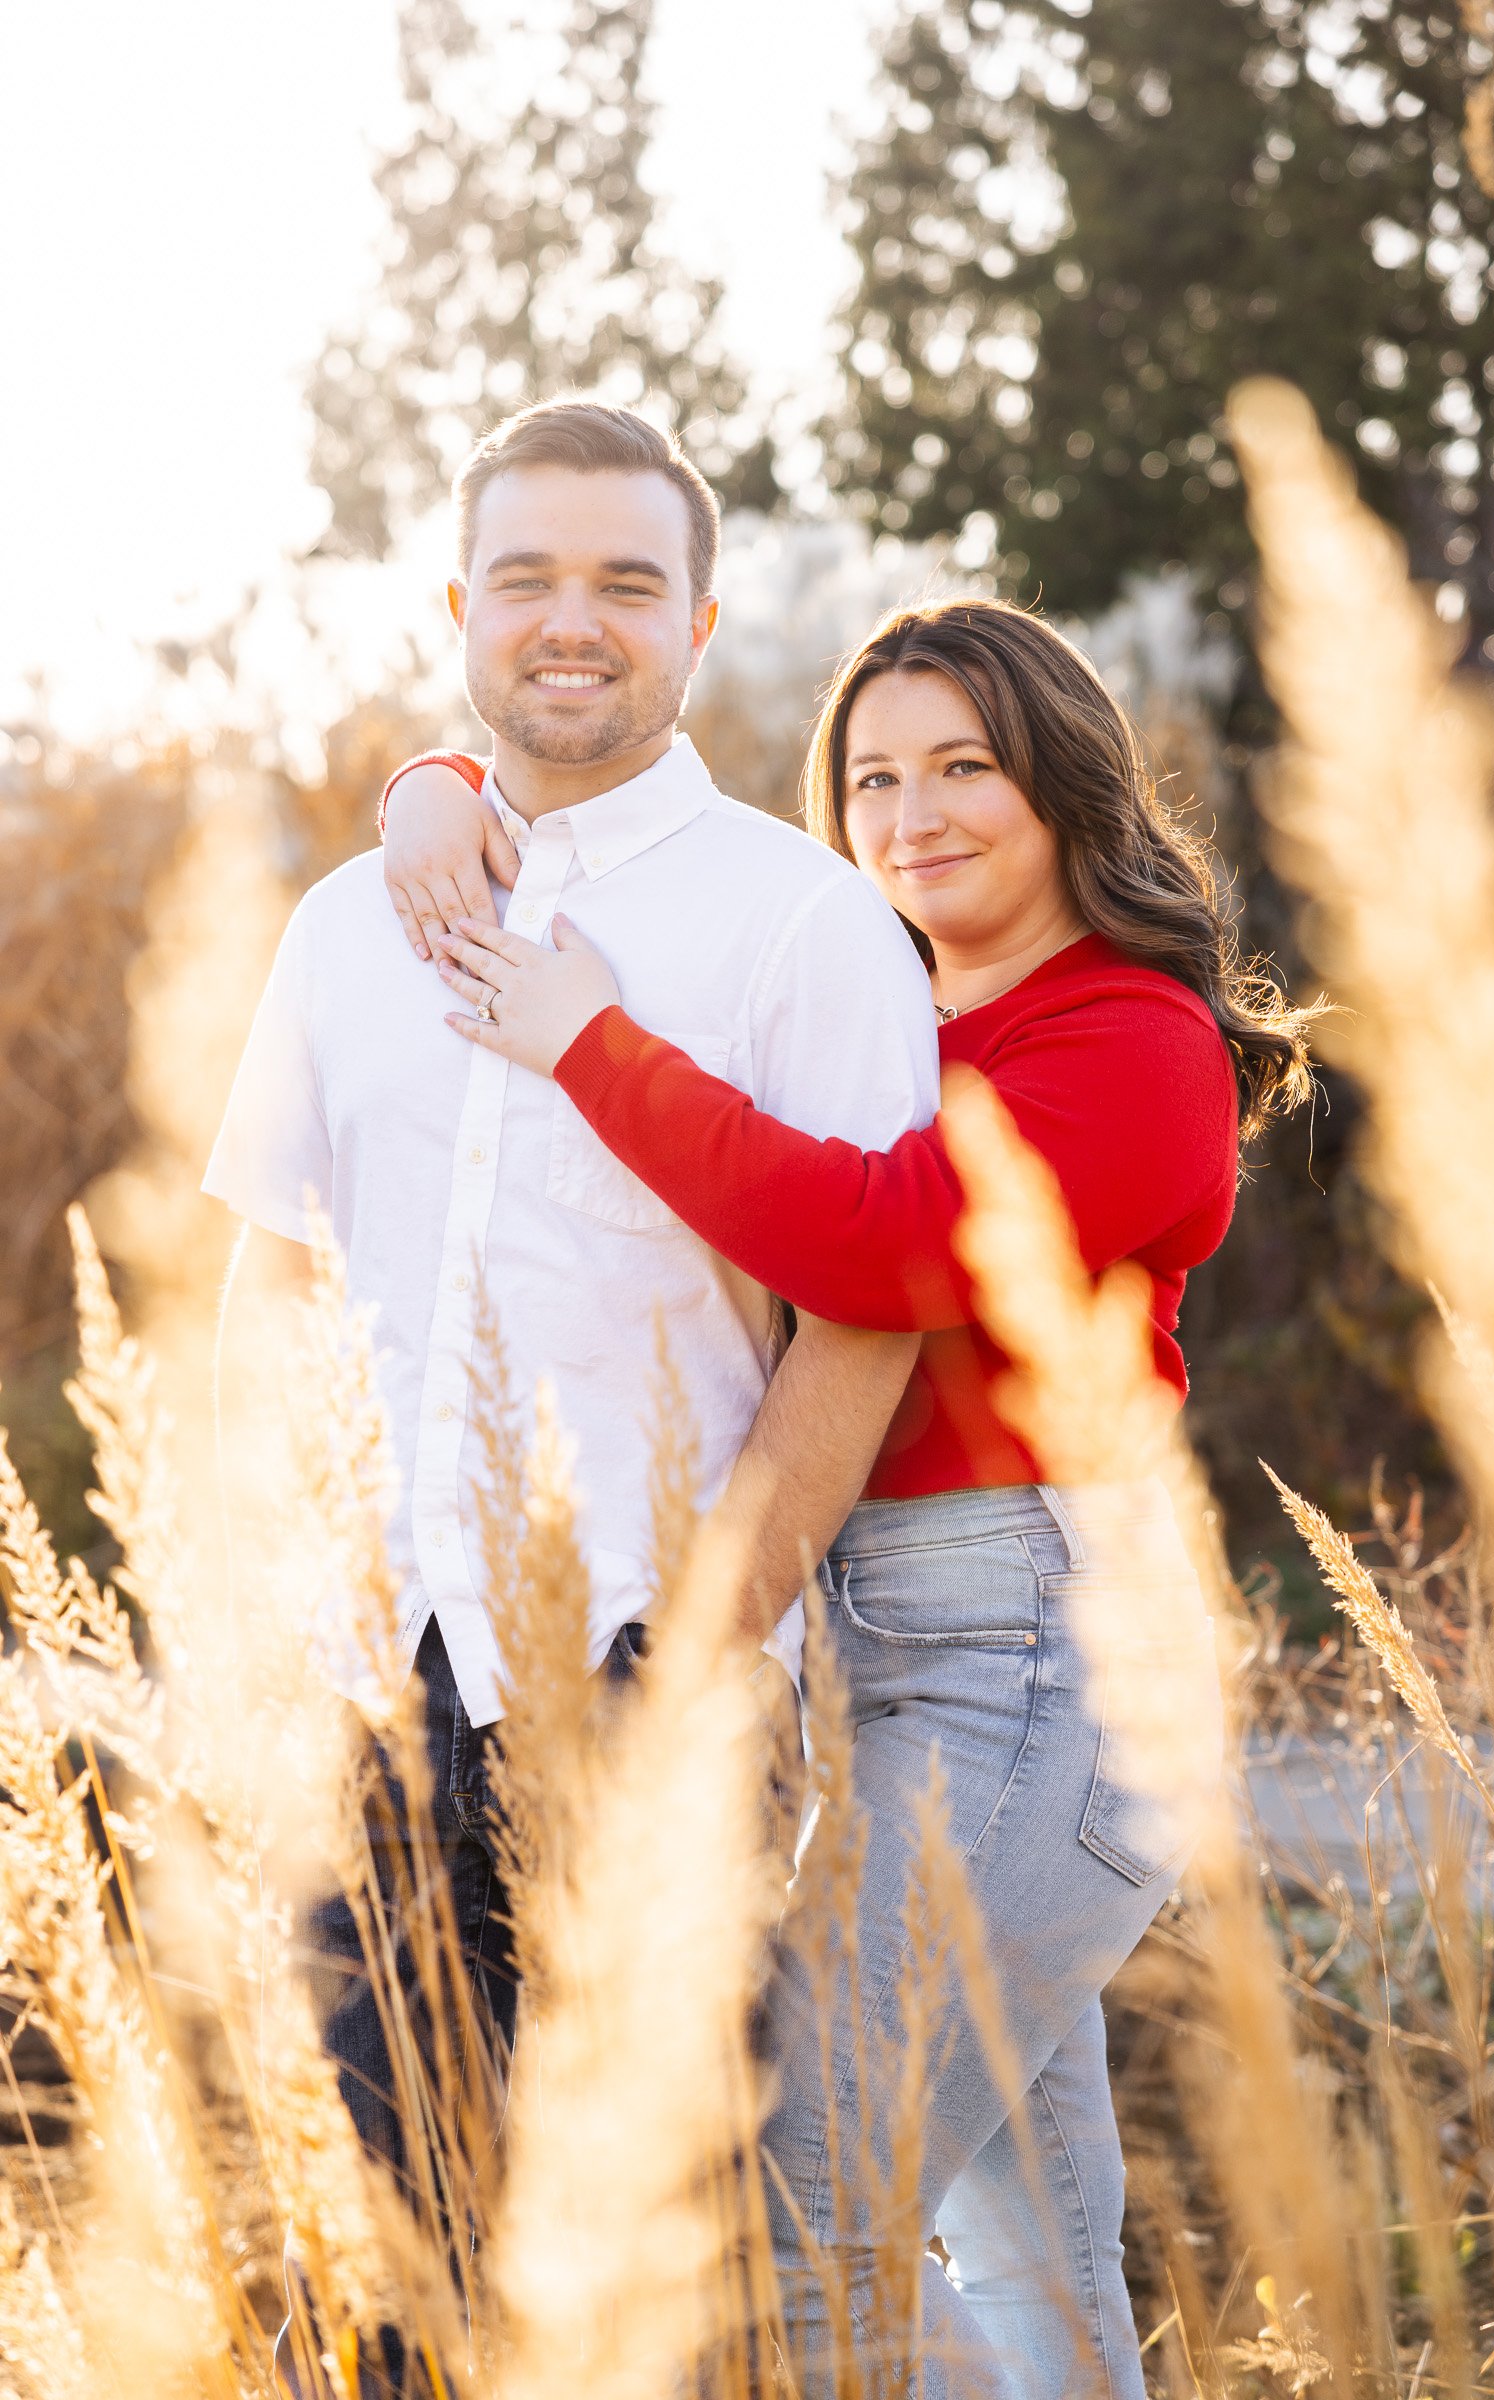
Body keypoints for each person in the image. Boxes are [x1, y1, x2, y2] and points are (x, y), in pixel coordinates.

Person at [377, 597, 1313, 2399]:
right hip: (905, 1669)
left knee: (798, 2236)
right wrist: (440, 776)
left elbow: (884, 1243)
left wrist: (587, 1040)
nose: (913, 814)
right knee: (1032, 2265)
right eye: (871, 778)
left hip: (1042, 1674)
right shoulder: (894, 1022)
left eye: (965, 766)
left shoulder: (1128, 1040)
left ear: (1063, 788)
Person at [203, 400, 939, 2398]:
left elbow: (864, 1323)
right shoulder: (345, 928)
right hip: (368, 1675)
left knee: (649, 2284)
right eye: (527, 576)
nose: (573, 621)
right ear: (458, 609)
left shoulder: (805, 924)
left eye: (628, 581)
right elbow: (269, 1277)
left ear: (700, 623)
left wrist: (717, 1646)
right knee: (401, 2264)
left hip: (648, 1672)